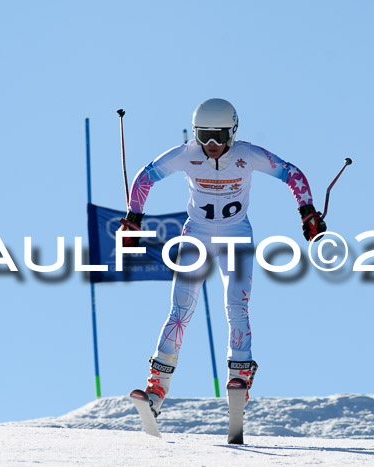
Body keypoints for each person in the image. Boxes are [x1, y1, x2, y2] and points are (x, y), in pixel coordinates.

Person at [120, 98, 326, 417]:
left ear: (232, 131)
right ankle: (156, 389)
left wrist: (307, 212)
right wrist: (134, 217)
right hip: (197, 233)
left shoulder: (246, 154)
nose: (211, 144)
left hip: (236, 234)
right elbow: (146, 177)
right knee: (180, 309)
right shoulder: (187, 154)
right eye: (203, 136)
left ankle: (239, 380)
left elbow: (291, 173)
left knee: (236, 305)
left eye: (217, 135)